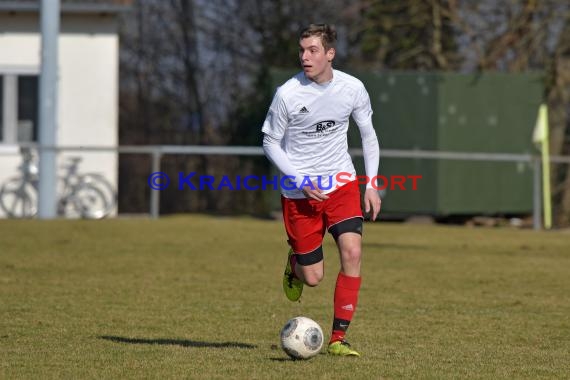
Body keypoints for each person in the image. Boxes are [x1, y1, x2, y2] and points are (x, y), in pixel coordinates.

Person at [261, 23, 381, 357]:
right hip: (300, 195)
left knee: (353, 252)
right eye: (302, 50)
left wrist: (371, 184)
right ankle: (296, 263)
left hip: (341, 184)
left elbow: (368, 136)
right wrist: (299, 179)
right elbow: (270, 142)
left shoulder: (352, 88)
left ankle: (338, 340)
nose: (305, 57)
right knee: (313, 277)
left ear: (330, 53)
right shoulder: (288, 94)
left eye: (312, 50)